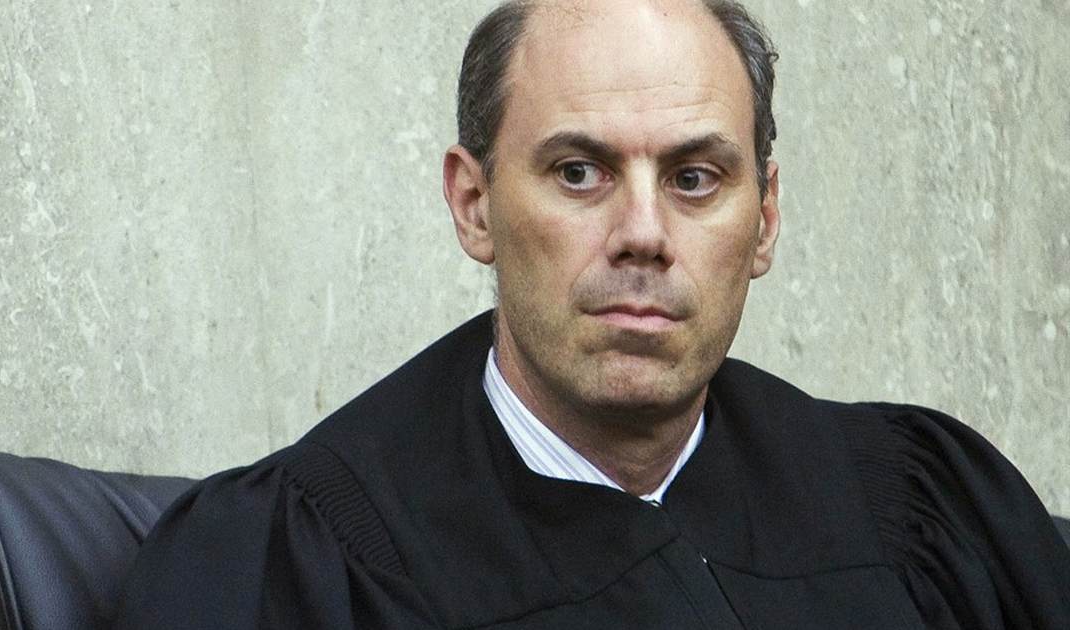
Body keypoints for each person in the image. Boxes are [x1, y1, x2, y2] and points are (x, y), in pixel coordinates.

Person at [112, 0, 1070, 628]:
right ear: (474, 204)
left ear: (766, 219)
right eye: (579, 172)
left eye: (695, 178)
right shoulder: (302, 565)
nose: (643, 234)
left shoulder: (917, 515)